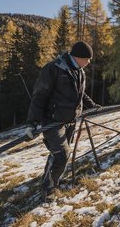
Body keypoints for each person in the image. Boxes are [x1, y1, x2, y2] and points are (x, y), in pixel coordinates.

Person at [24, 41, 101, 202]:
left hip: (70, 120)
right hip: (53, 121)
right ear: (77, 57)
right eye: (87, 59)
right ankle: (48, 189)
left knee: (59, 155)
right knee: (62, 155)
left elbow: (81, 94)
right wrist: (32, 122)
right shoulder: (54, 68)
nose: (89, 62)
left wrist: (92, 106)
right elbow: (39, 96)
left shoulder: (79, 71)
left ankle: (53, 180)